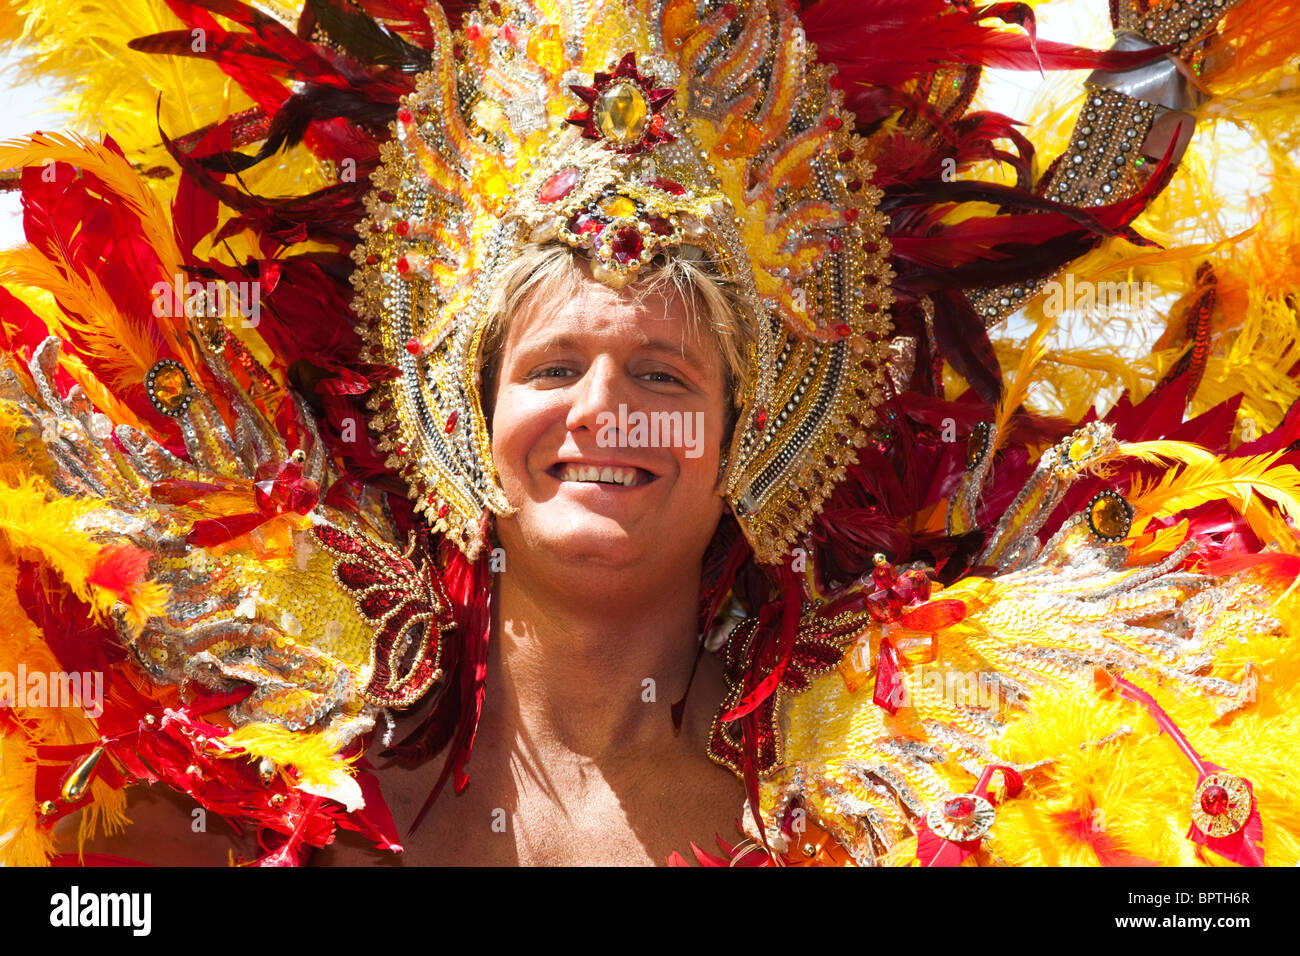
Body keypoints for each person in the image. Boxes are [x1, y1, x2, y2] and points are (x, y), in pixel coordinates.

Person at [2, 0, 1299, 869]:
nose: (605, 408)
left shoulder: (900, 806)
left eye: (665, 372)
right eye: (555, 363)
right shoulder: (235, 768)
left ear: (760, 428)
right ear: (461, 415)